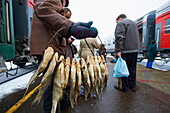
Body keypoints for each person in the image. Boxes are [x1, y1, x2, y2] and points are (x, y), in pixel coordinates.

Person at [30, 0, 98, 112]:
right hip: (49, 50)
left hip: (51, 48)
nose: (64, 5)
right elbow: (43, 8)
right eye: (64, 3)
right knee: (51, 88)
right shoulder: (51, 2)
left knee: (54, 85)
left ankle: (58, 106)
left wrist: (71, 28)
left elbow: (55, 24)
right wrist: (70, 26)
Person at [114, 14, 140, 92]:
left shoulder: (121, 23)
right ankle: (132, 86)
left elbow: (119, 37)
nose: (116, 23)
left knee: (123, 70)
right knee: (132, 69)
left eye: (116, 21)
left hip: (125, 51)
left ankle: (124, 88)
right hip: (134, 50)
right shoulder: (134, 23)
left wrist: (118, 50)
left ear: (120, 18)